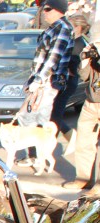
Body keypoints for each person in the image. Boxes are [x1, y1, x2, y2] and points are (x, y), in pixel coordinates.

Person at [18, 0, 74, 129]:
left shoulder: (62, 28)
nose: (44, 12)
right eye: (44, 9)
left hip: (48, 81)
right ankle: (35, 147)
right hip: (44, 80)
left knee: (35, 119)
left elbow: (53, 58)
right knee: (30, 117)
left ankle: (38, 148)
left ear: (58, 10)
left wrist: (38, 80)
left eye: (48, 9)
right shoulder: (55, 27)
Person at [66, 34, 100, 189]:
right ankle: (82, 178)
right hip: (91, 102)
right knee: (84, 142)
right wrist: (86, 59)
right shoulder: (95, 56)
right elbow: (85, 76)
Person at [53, 13, 89, 143]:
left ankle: (68, 138)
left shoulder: (78, 44)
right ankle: (69, 137)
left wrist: (66, 68)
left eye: (71, 26)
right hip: (69, 81)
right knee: (54, 114)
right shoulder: (80, 41)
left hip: (68, 81)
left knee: (55, 115)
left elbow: (76, 67)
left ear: (78, 27)